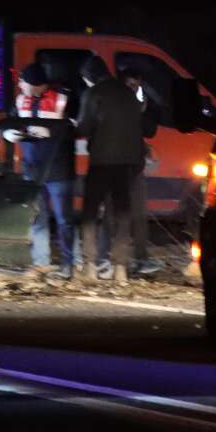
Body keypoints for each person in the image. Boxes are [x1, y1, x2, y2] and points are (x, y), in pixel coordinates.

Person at [75, 56, 143, 284]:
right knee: (123, 214)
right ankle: (120, 269)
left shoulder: (93, 94)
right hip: (128, 163)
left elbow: (84, 127)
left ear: (89, 77)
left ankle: (90, 267)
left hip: (102, 161)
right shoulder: (127, 93)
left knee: (90, 214)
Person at [7, 62, 76, 280]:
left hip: (58, 169)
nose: (20, 86)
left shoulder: (63, 98)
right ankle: (41, 263)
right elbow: (11, 120)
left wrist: (52, 133)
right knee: (37, 218)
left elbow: (77, 128)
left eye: (23, 82)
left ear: (37, 85)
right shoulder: (20, 99)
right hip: (33, 169)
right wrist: (9, 132)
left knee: (64, 219)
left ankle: (70, 264)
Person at [94, 65, 163, 277]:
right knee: (111, 217)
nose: (133, 89)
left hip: (134, 169)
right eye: (130, 85)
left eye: (137, 86)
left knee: (139, 216)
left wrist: (144, 110)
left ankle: (140, 260)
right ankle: (104, 260)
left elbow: (150, 131)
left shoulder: (139, 105)